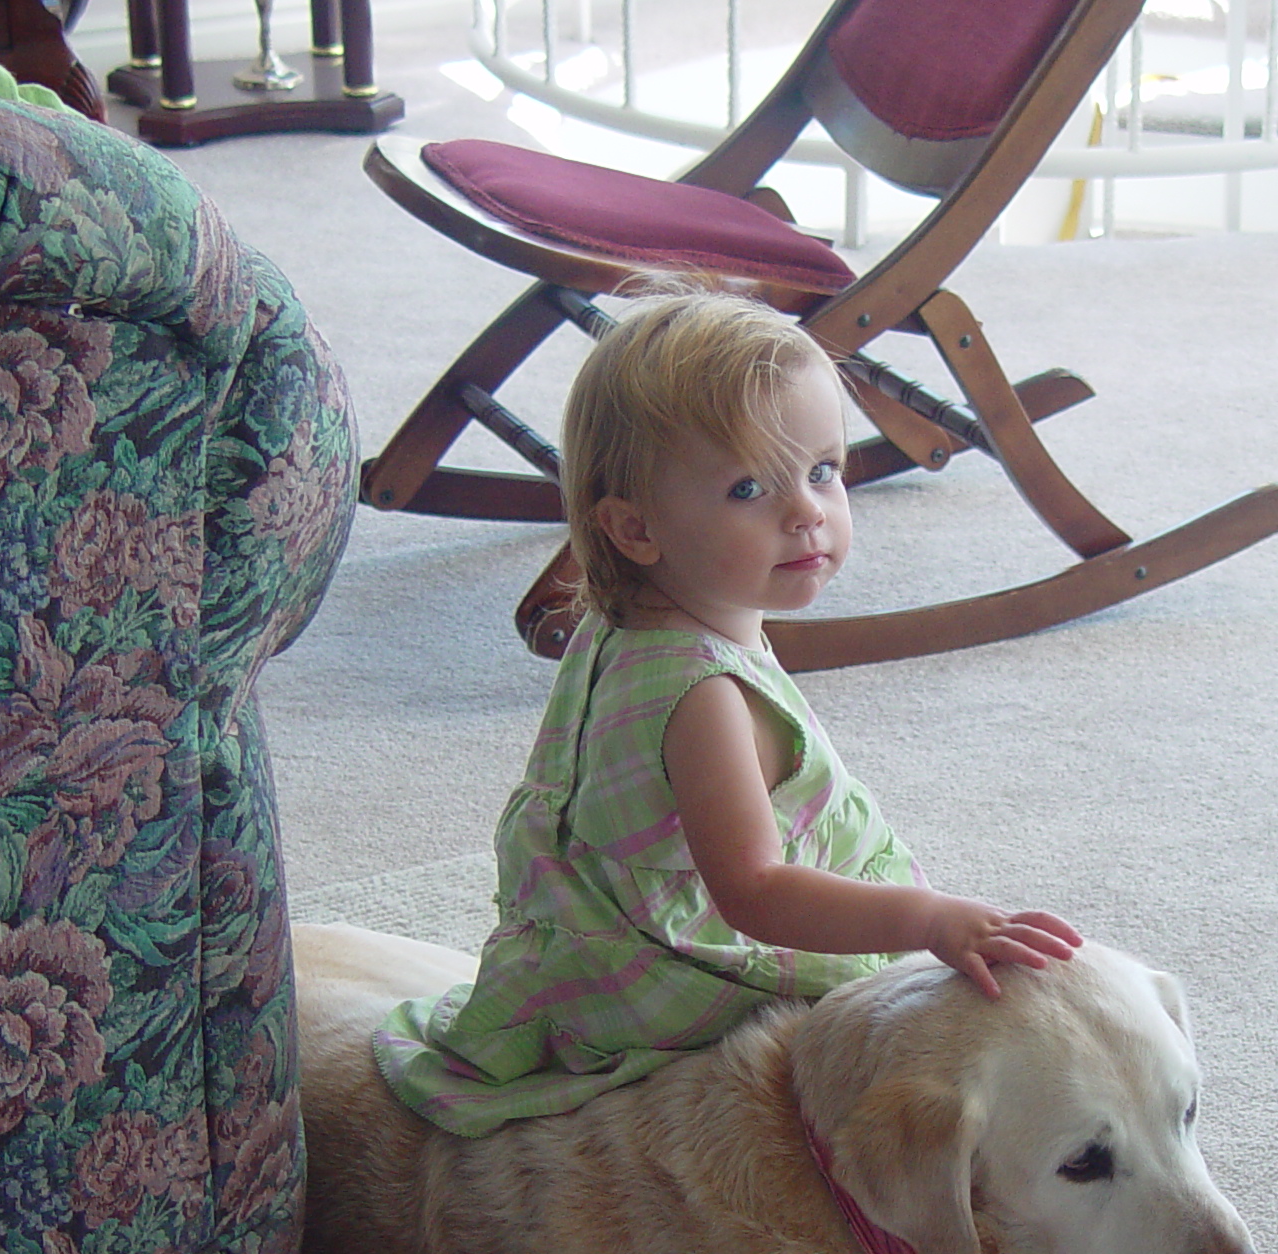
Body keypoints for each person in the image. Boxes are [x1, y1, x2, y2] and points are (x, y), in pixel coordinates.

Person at [372, 289, 1079, 1138]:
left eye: (822, 470)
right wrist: (926, 920)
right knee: (1006, 1032)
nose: (807, 510)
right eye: (749, 486)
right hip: (685, 985)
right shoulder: (702, 696)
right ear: (635, 528)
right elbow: (754, 891)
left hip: (604, 937)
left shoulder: (631, 624)